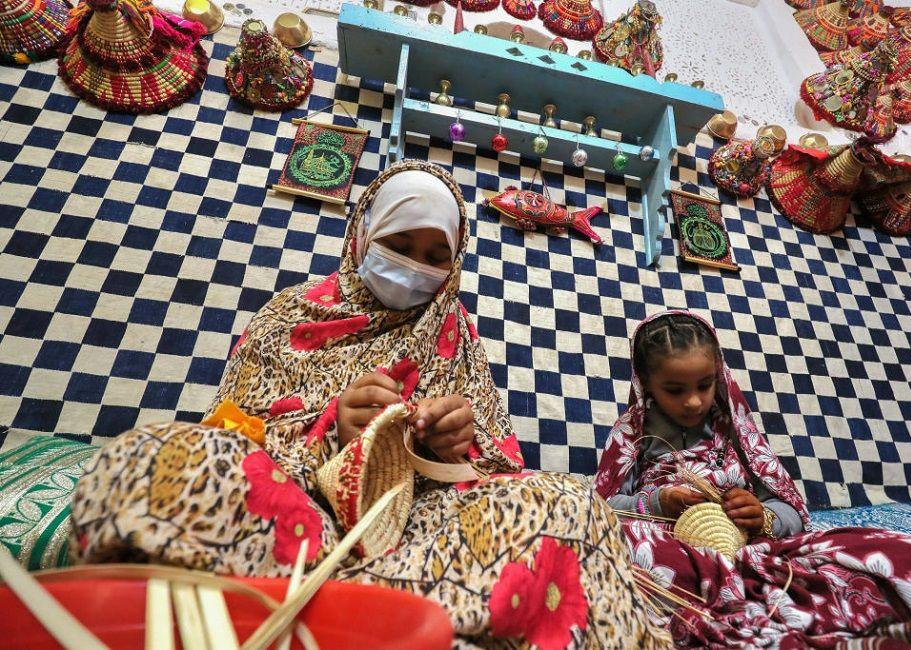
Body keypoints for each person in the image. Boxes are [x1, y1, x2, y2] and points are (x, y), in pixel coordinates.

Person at [71, 160, 664, 648]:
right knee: (164, 455)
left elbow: (501, 466)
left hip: (426, 535)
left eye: (436, 256)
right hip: (302, 521)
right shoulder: (291, 315)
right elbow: (235, 428)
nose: (416, 267)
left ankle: (371, 613)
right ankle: (390, 617)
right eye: (398, 245)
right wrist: (330, 430)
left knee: (566, 501)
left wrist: (456, 446)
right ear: (362, 236)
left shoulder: (455, 333)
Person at [594, 310, 911, 648]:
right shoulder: (631, 435)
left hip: (755, 555)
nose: (694, 402)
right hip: (673, 555)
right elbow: (602, 512)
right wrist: (657, 503)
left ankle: (746, 603)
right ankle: (741, 607)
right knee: (621, 559)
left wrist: (763, 517)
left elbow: (792, 512)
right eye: (675, 390)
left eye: (705, 385)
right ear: (647, 384)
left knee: (908, 557)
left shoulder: (735, 428)